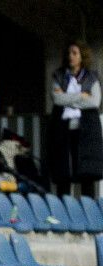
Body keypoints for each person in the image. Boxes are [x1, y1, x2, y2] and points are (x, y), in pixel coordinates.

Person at [49, 40, 102, 198]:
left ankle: (88, 210)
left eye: (75, 53)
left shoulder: (91, 77)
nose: (71, 56)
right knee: (63, 171)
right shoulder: (59, 76)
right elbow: (57, 99)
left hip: (86, 131)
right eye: (69, 53)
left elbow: (94, 101)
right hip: (63, 130)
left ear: (81, 56)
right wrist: (81, 96)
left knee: (87, 172)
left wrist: (68, 98)